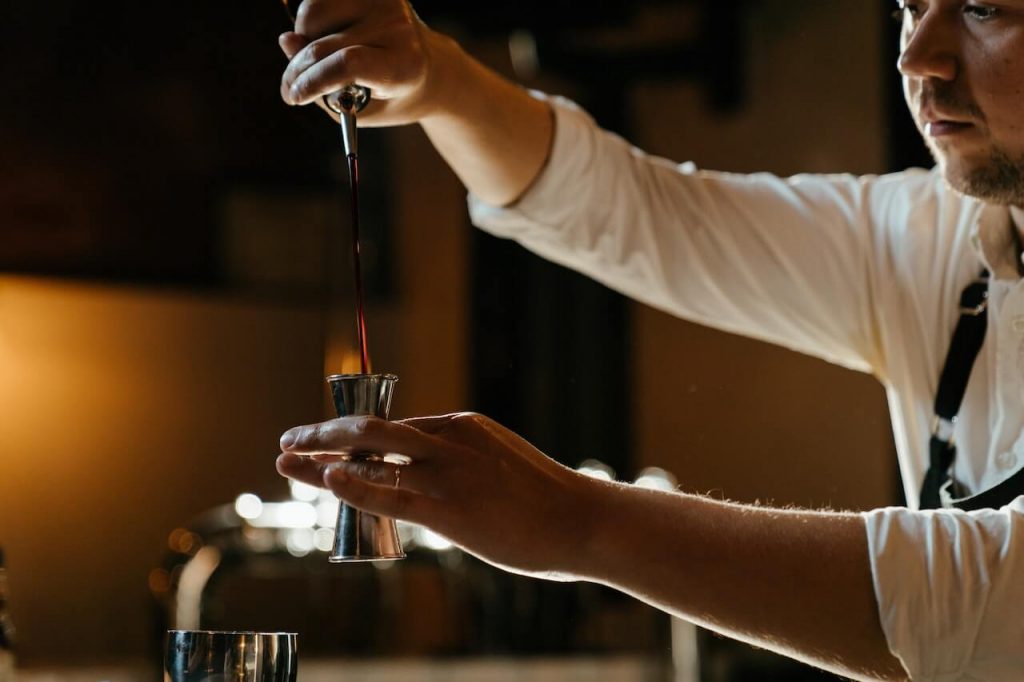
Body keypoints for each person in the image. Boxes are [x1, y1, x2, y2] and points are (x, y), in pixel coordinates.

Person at [274, 1, 1024, 679]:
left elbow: (984, 597)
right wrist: (439, 82)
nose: (917, 54)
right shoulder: (938, 237)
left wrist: (579, 522)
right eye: (909, 8)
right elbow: (640, 213)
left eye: (984, 9)